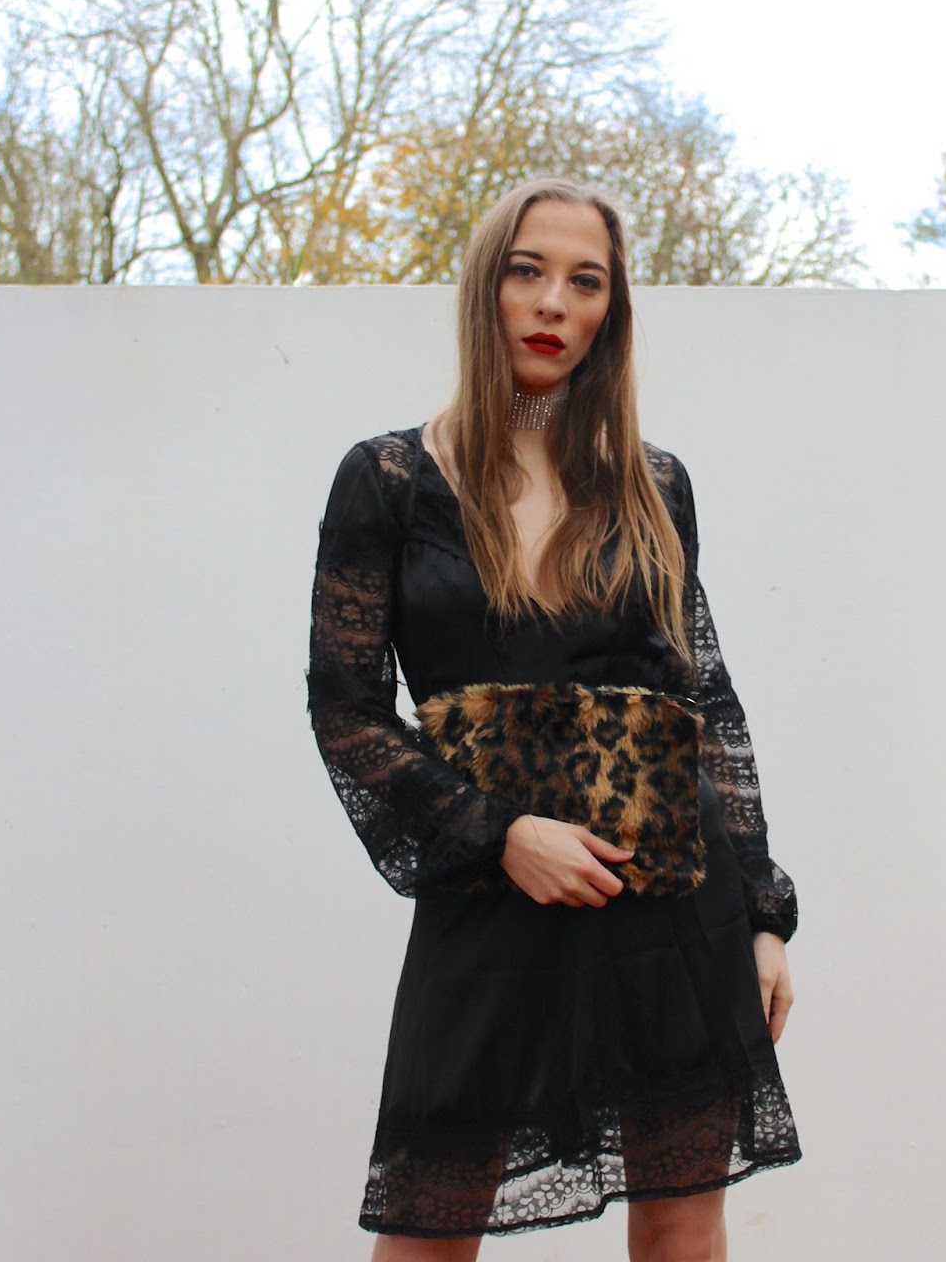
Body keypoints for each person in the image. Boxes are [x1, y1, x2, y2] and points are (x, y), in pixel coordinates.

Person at [307, 177, 800, 1260]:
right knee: (428, 1229)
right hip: (492, 901)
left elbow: (705, 700)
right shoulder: (389, 480)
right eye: (528, 271)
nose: (553, 304)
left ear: (610, 311)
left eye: (587, 282)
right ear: (486, 286)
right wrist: (501, 834)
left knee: (683, 1231)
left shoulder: (653, 484)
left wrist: (763, 914)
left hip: (670, 907)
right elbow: (347, 710)